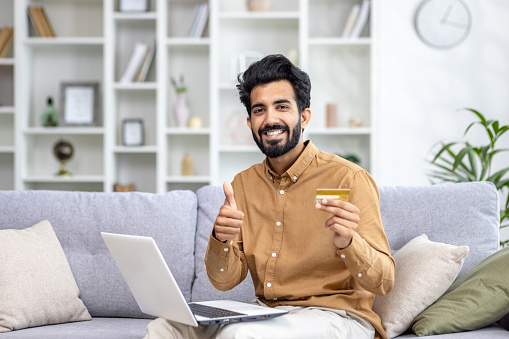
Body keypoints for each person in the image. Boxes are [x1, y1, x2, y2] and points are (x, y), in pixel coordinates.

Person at [144, 54, 395, 339]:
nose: (270, 118)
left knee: (237, 336)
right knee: (164, 327)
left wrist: (350, 242)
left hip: (335, 315)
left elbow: (384, 281)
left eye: (282, 106)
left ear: (303, 116)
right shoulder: (243, 185)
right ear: (250, 122)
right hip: (265, 312)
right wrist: (221, 239)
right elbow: (223, 281)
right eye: (259, 110)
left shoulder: (349, 179)